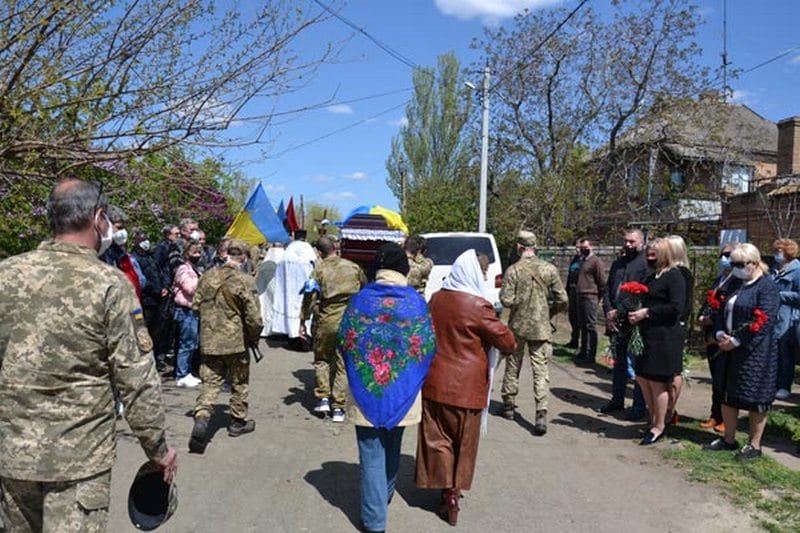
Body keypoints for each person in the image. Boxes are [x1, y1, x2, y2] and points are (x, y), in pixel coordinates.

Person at [0, 179, 177, 532]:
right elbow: (136, 378)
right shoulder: (109, 285)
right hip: (79, 461)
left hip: (11, 456)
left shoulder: (6, 275)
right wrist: (157, 449)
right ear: (98, 218)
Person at [338, 243, 437, 533]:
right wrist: (407, 374)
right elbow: (429, 345)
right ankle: (384, 496)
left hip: (366, 391)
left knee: (371, 453)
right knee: (393, 445)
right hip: (404, 392)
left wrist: (362, 367)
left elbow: (345, 340)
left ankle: (374, 520)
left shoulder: (359, 301)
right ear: (403, 270)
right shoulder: (416, 303)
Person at [416, 249, 516, 526]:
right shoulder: (479, 306)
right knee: (465, 443)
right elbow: (507, 342)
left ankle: (444, 488)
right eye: (483, 271)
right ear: (474, 272)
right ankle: (453, 494)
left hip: (435, 383)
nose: (484, 276)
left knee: (438, 439)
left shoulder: (436, 299)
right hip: (468, 388)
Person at [704, 243, 780, 460]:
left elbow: (764, 321)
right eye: (732, 263)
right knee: (727, 394)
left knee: (755, 397)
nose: (734, 267)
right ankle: (728, 438)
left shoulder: (767, 287)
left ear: (754, 264)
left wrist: (737, 340)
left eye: (739, 264)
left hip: (755, 351)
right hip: (727, 346)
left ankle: (754, 444)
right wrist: (719, 334)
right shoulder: (735, 283)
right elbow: (719, 309)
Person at [189, 240, 263, 453]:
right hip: (235, 342)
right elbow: (254, 317)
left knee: (210, 383)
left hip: (210, 341)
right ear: (243, 257)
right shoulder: (245, 280)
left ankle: (202, 417)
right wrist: (254, 338)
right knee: (239, 382)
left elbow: (195, 307)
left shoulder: (207, 276)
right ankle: (237, 422)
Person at [499, 230, 568, 434]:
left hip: (518, 326)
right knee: (541, 369)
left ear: (519, 247)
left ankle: (509, 405)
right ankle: (541, 412)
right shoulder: (549, 269)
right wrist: (550, 311)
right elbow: (562, 299)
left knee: (513, 365)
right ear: (534, 247)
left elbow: (506, 300)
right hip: (541, 327)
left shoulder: (513, 270)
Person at [626, 238, 688, 445]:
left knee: (657, 382)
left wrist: (647, 312)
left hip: (665, 337)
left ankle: (660, 425)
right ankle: (652, 419)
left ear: (664, 255)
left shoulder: (674, 276)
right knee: (643, 379)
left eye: (654, 254)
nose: (649, 257)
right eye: (648, 254)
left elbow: (676, 307)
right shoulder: (651, 276)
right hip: (647, 335)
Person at [301, 236, 366, 422]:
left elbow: (309, 295)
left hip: (327, 320)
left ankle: (323, 397)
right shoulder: (353, 267)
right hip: (348, 321)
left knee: (322, 359)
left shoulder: (319, 270)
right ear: (335, 248)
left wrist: (303, 319)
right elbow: (364, 288)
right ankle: (339, 407)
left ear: (320, 253)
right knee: (342, 363)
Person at [599, 229, 648, 420]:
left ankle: (638, 406)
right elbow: (608, 289)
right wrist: (609, 312)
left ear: (641, 242)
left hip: (634, 320)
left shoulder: (645, 264)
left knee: (636, 366)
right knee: (619, 364)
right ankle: (617, 399)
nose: (628, 245)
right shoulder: (618, 263)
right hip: (616, 321)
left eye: (632, 242)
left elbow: (641, 292)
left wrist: (619, 310)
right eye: (626, 241)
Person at [697, 244, 738, 432]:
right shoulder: (718, 279)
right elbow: (708, 302)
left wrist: (713, 321)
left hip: (723, 337)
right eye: (722, 254)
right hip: (710, 335)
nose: (724, 258)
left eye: (728, 255)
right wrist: (702, 317)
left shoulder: (736, 282)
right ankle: (715, 415)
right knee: (716, 379)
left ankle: (725, 418)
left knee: (724, 380)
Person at [131, 228, 171, 373]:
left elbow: (161, 271)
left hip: (159, 299)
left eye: (146, 239)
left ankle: (155, 359)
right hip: (147, 300)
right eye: (142, 240)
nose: (145, 243)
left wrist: (165, 286)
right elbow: (141, 280)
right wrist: (156, 289)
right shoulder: (134, 258)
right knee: (145, 331)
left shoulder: (151, 256)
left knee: (158, 331)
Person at [771, 238, 800, 400]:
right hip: (773, 317)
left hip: (789, 317)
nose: (777, 254)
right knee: (774, 352)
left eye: (779, 251)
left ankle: (784, 385)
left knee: (785, 353)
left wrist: (780, 295)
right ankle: (773, 383)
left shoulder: (797, 270)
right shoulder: (775, 269)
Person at [173, 241, 203, 388]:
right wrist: (203, 283)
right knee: (186, 343)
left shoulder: (196, 269)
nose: (197, 255)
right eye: (194, 253)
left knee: (193, 343)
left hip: (195, 310)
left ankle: (188, 371)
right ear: (186, 254)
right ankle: (181, 374)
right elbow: (190, 289)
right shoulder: (183, 270)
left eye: (199, 252)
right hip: (185, 310)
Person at [99, 205, 145, 302]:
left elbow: (139, 281)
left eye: (124, 228)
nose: (122, 232)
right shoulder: (100, 252)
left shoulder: (121, 253)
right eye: (119, 228)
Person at [574, 238, 606, 364]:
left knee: (591, 325)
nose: (583, 250)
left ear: (591, 246)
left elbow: (602, 281)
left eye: (585, 247)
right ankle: (583, 351)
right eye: (581, 248)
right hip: (579, 295)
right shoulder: (581, 260)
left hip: (590, 295)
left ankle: (591, 354)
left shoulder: (596, 261)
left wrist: (599, 297)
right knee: (582, 324)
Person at [565, 240, 582, 349]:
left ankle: (582, 343)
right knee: (572, 317)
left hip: (580, 292)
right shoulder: (574, 260)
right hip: (571, 290)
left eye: (579, 247)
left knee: (580, 318)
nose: (577, 250)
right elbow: (569, 276)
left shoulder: (585, 261)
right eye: (576, 247)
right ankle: (574, 339)